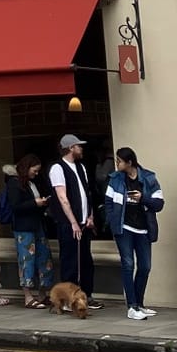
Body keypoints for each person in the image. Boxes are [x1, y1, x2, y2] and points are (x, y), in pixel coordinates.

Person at [106, 148, 163, 320]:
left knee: (145, 266)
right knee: (128, 264)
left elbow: (159, 204)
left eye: (119, 161)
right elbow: (108, 202)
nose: (117, 164)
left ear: (129, 162)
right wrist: (112, 220)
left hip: (144, 228)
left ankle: (139, 304)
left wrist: (142, 198)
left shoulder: (149, 178)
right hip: (124, 228)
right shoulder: (115, 179)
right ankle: (131, 306)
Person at [48, 134, 100, 309]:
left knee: (86, 261)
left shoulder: (81, 167)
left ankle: (86, 296)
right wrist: (73, 222)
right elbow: (62, 197)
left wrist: (90, 216)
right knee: (70, 261)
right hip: (69, 223)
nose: (81, 149)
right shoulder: (58, 168)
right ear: (70, 148)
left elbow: (87, 193)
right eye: (78, 146)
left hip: (84, 222)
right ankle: (67, 299)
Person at [7, 154, 54, 309]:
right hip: (24, 228)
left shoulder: (31, 183)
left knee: (44, 258)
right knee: (27, 260)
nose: (36, 173)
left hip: (37, 225)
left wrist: (43, 204)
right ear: (27, 168)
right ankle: (28, 296)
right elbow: (15, 206)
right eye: (35, 170)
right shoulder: (14, 183)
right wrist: (35, 203)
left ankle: (42, 293)